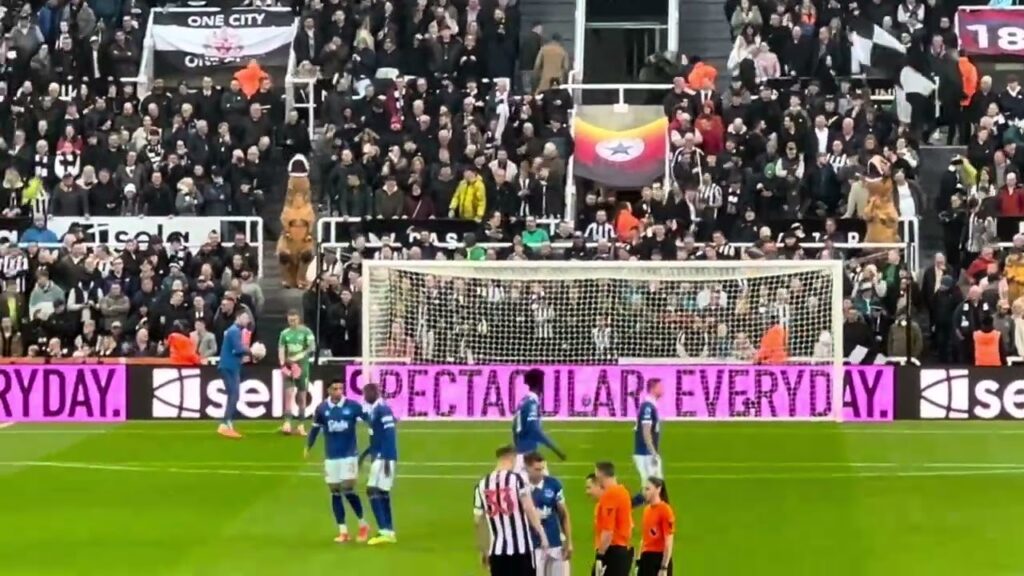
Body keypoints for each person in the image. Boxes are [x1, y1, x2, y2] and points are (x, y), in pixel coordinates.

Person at [304, 379, 372, 543]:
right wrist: (308, 446)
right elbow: (315, 429)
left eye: (341, 388)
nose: (339, 391)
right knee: (335, 492)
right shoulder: (322, 409)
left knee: (348, 489)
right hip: (331, 457)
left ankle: (363, 524)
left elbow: (369, 418)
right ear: (329, 390)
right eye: (335, 388)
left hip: (349, 455)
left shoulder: (352, 406)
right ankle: (343, 531)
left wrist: (377, 433)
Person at [474, 445, 550, 576]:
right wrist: (542, 534)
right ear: (512, 458)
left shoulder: (481, 485)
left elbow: (477, 521)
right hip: (521, 551)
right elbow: (528, 508)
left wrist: (483, 550)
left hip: (497, 553)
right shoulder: (517, 480)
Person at [524, 452, 573, 576]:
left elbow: (563, 515)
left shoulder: (553, 484)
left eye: (542, 469)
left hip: (554, 542)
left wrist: (569, 542)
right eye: (537, 469)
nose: (541, 473)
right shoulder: (520, 486)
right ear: (527, 467)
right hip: (531, 545)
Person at [363, 382, 399, 545]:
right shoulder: (376, 409)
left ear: (374, 394)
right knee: (383, 492)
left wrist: (384, 458)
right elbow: (377, 437)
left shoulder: (382, 409)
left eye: (367, 394)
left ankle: (384, 530)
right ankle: (389, 531)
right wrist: (364, 454)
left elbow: (390, 434)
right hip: (380, 456)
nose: (365, 397)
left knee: (372, 490)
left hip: (384, 458)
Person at [513, 369, 566, 473]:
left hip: (521, 455)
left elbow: (514, 428)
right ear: (540, 384)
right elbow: (534, 430)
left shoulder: (523, 401)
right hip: (530, 457)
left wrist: (518, 448)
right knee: (548, 487)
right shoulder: (532, 403)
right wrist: (555, 449)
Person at [278, 309, 316, 436]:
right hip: (289, 366)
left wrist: (300, 355)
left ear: (299, 319)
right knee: (288, 393)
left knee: (301, 395)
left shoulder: (306, 331)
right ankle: (287, 422)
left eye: (294, 320)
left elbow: (312, 347)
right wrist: (283, 364)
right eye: (290, 320)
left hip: (302, 366)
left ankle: (301, 424)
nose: (292, 322)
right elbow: (281, 349)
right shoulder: (285, 333)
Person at [593, 461, 633, 576]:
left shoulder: (610, 495)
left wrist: (600, 555)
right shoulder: (624, 492)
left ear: (600, 475)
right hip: (622, 550)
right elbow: (630, 525)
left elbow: (608, 531)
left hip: (611, 552)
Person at [217, 311, 252, 438]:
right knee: (234, 394)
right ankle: (226, 424)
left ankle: (225, 423)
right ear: (238, 318)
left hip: (230, 365)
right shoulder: (234, 331)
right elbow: (238, 349)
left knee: (233, 395)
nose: (247, 321)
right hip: (229, 366)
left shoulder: (234, 331)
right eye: (245, 318)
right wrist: (252, 351)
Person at [632, 378, 664, 507]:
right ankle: (627, 506)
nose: (662, 390)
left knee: (655, 485)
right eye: (660, 387)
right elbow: (646, 432)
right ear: (653, 388)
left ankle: (657, 511)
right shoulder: (647, 408)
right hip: (645, 454)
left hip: (647, 453)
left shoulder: (651, 406)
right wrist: (653, 452)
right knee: (651, 486)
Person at [637, 478, 676, 576]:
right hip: (646, 559)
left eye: (647, 489)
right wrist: (638, 561)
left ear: (658, 489)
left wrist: (664, 567)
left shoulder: (665, 510)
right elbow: (644, 538)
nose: (644, 492)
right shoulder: (647, 510)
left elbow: (669, 541)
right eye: (643, 489)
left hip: (658, 558)